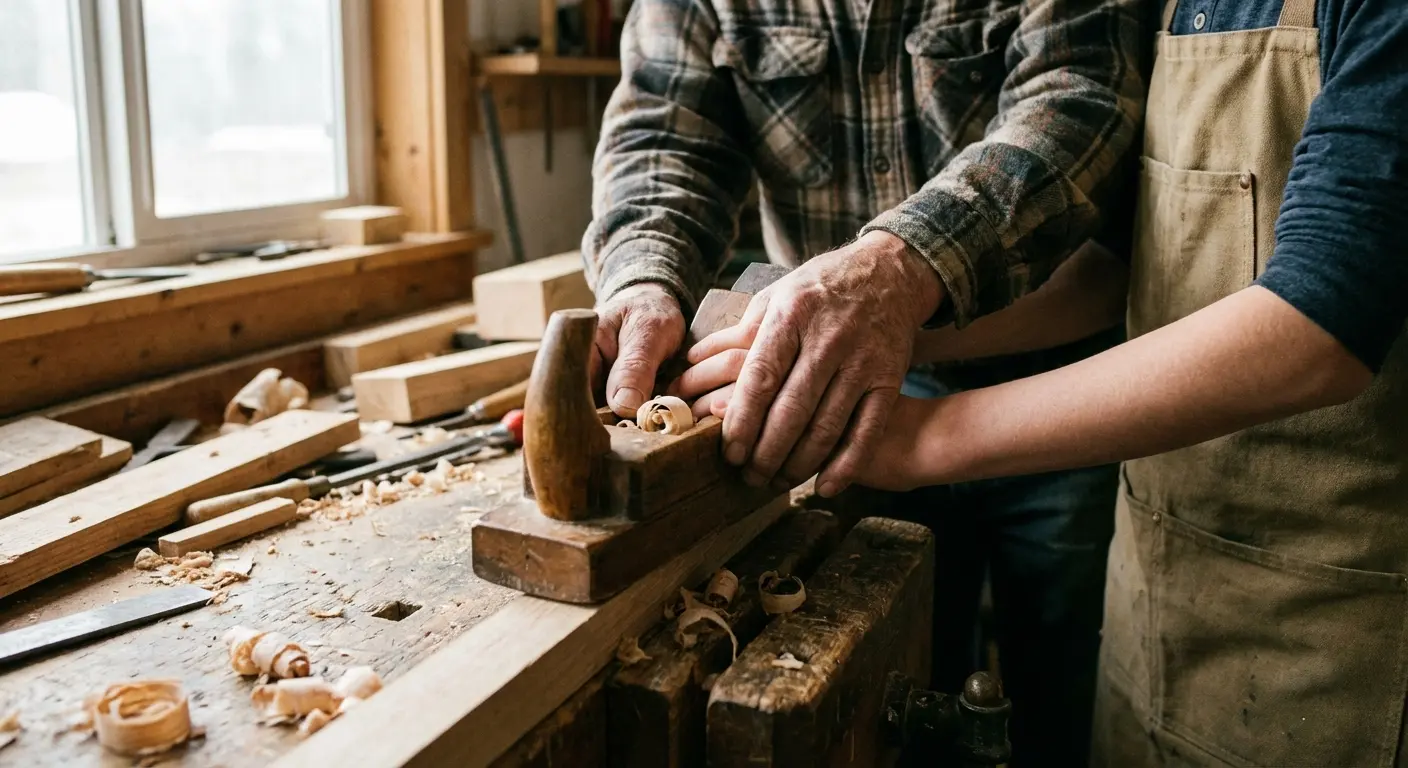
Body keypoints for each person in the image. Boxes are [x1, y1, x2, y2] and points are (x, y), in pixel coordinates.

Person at [706, 0, 1405, 764]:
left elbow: (1323, 326)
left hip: (1332, 622)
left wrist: (920, 436)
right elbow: (1122, 272)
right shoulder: (1171, 8)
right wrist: (877, 339)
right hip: (1158, 598)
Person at [583, 1, 1148, 763]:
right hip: (837, 391)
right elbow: (663, 136)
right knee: (891, 674)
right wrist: (644, 278)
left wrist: (897, 270)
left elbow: (1078, 102)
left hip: (1068, 375)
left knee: (1065, 682)